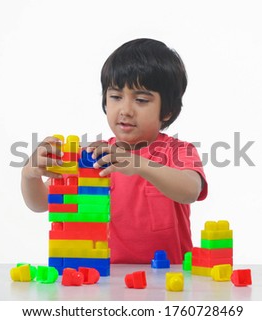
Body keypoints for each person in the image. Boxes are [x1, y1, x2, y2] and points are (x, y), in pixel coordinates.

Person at [21, 38, 208, 264]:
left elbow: (190, 190)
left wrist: (138, 164)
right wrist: (29, 174)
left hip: (168, 280)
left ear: (167, 110)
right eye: (116, 97)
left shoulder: (178, 151)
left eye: (140, 100)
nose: (125, 110)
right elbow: (41, 203)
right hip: (105, 278)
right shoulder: (93, 156)